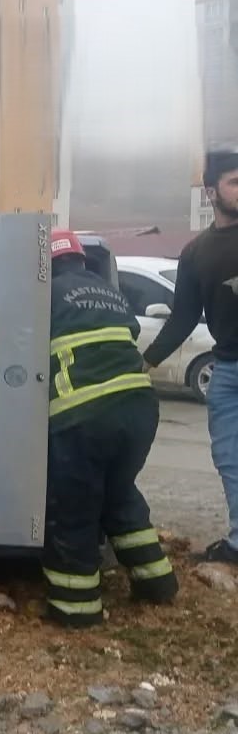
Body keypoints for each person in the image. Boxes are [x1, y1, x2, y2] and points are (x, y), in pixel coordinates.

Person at [44, 230, 178, 627]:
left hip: (85, 413)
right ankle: (157, 583)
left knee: (75, 508)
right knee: (117, 495)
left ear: (48, 264)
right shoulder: (109, 292)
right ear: (81, 260)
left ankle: (75, 610)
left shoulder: (46, 294)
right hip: (139, 409)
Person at [143, 150, 238, 564]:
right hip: (227, 372)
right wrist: (143, 363)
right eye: (234, 182)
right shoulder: (196, 252)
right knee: (230, 460)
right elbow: (182, 319)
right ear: (211, 191)